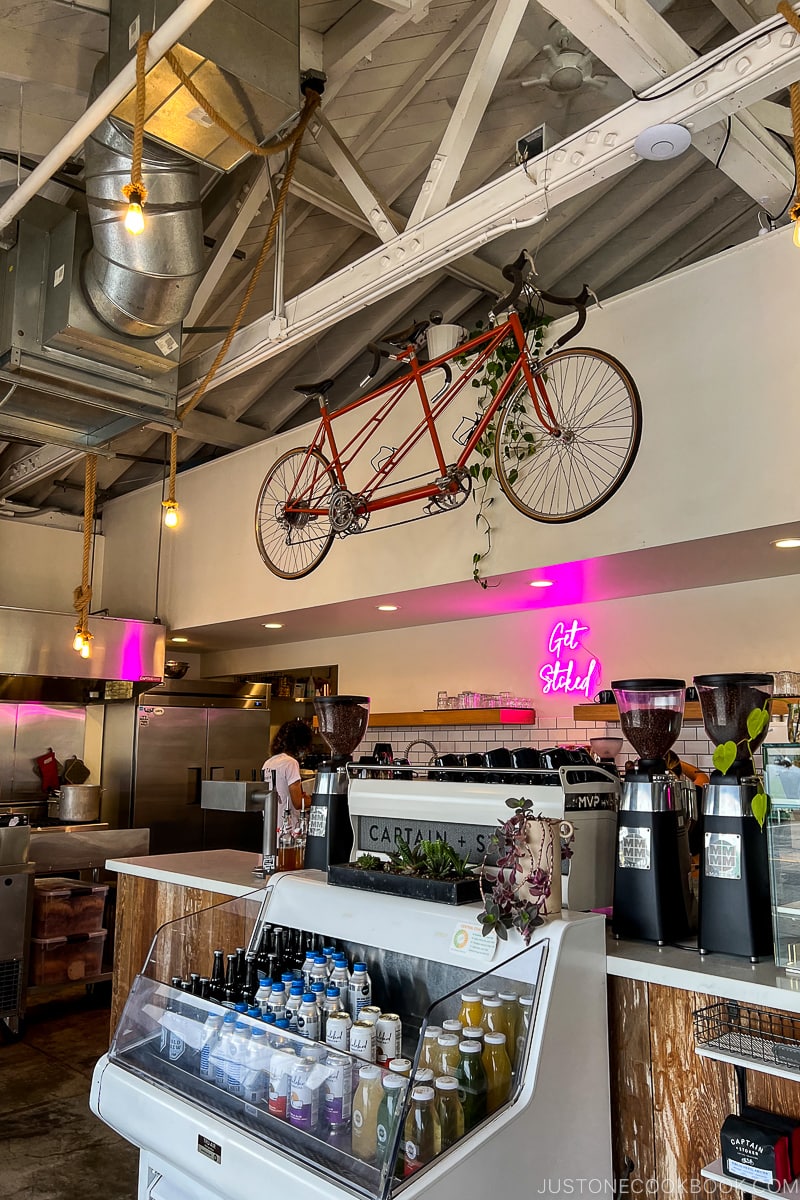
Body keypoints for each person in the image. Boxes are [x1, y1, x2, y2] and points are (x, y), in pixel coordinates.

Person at [262, 719, 313, 831]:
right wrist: (315, 800)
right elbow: (298, 802)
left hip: (270, 828)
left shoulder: (268, 762)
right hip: (289, 829)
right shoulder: (291, 763)